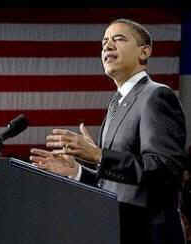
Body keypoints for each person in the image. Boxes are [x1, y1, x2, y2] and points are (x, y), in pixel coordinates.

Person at [30, 18, 187, 244]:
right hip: (117, 231)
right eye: (104, 42)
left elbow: (163, 170)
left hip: (150, 234)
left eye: (119, 39)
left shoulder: (156, 96)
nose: (107, 46)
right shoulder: (115, 105)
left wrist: (98, 155)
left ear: (144, 51)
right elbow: (117, 186)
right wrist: (78, 173)